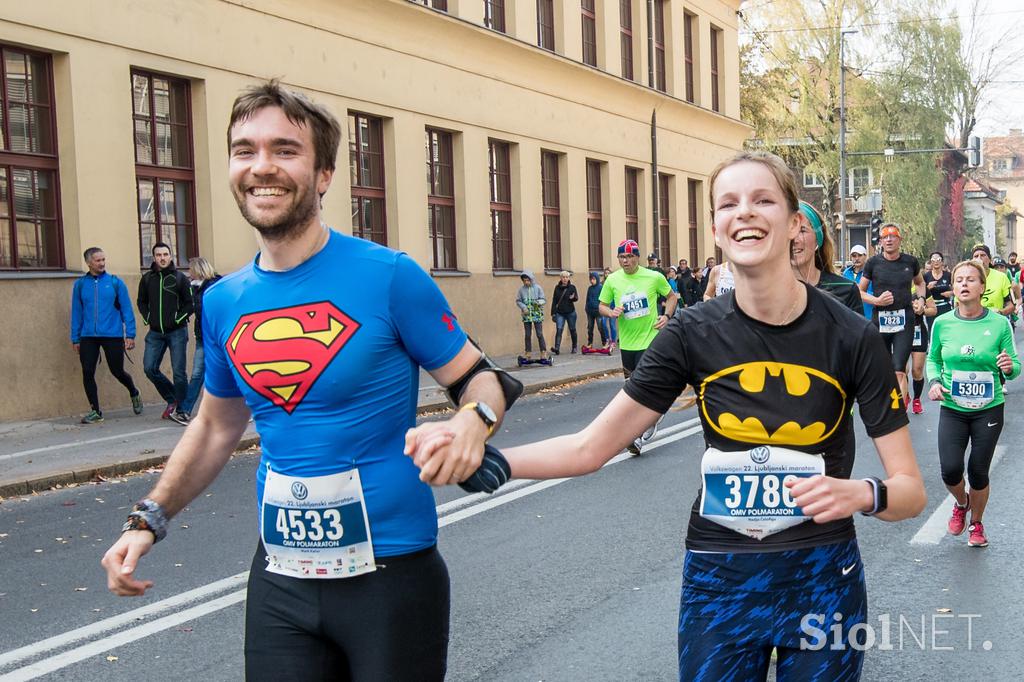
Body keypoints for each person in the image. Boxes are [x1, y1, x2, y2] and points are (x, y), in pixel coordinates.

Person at [408, 151, 925, 681]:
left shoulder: (851, 336)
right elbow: (590, 447)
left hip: (823, 578)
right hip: (719, 580)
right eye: (729, 203)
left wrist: (862, 493)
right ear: (717, 230)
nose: (745, 212)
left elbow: (910, 490)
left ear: (795, 224)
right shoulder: (690, 333)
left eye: (763, 199)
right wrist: (489, 461)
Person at [102, 81, 521, 681]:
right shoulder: (222, 302)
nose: (262, 167)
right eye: (245, 150)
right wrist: (148, 518)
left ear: (323, 174)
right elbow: (217, 427)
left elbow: (482, 379)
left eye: (284, 150)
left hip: (392, 577)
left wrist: (471, 422)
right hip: (281, 578)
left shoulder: (390, 277)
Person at [927, 260, 1019, 548]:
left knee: (978, 470)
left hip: (989, 407)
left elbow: (1014, 366)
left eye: (970, 280)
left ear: (982, 287)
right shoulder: (942, 323)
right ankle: (961, 502)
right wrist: (934, 383)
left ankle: (977, 524)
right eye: (959, 280)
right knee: (951, 470)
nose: (964, 284)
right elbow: (933, 359)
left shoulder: (999, 323)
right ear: (953, 288)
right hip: (953, 407)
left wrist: (1007, 367)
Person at [598, 238, 678, 455]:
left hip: (650, 339)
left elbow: (671, 297)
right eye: (621, 257)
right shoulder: (613, 280)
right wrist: (611, 312)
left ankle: (636, 435)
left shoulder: (653, 277)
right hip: (628, 344)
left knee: (641, 388)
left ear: (637, 257)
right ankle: (652, 416)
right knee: (630, 388)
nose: (625, 261)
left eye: (629, 257)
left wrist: (667, 316)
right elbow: (602, 305)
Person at [70, 247, 143, 424]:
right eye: (98, 260)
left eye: (103, 259)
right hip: (88, 336)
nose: (102, 263)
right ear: (88, 262)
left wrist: (130, 334)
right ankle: (95, 411)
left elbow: (127, 309)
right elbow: (76, 312)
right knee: (87, 371)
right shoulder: (80, 285)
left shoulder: (115, 283)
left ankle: (133, 391)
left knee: (117, 371)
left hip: (112, 334)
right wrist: (75, 338)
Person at [857, 224, 926, 407]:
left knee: (898, 369)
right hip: (881, 320)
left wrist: (921, 299)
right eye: (884, 237)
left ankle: (898, 412)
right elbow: (859, 291)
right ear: (880, 241)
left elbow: (920, 283)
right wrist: (876, 301)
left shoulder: (910, 262)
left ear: (899, 240)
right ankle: (890, 403)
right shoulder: (873, 263)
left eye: (892, 236)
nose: (888, 239)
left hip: (905, 320)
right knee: (884, 368)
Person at [138, 241, 194, 424]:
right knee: (149, 368)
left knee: (179, 372)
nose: (162, 258)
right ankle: (172, 398)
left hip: (177, 331)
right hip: (155, 333)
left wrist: (178, 318)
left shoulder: (180, 278)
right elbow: (141, 301)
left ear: (171, 256)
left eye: (165, 254)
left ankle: (182, 409)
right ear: (153, 258)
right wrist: (148, 318)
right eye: (158, 255)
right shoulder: (147, 279)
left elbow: (190, 303)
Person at [790, 201, 863, 313]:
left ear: (818, 239)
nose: (795, 239)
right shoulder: (765, 294)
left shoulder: (845, 290)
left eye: (802, 231)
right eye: (789, 230)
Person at [178, 257, 222, 419]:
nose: (189, 273)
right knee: (197, 373)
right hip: (202, 337)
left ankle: (246, 409)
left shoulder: (215, 286)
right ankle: (185, 411)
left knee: (228, 373)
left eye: (190, 270)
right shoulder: (196, 288)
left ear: (198, 270)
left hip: (217, 338)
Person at [908, 293, 938, 415]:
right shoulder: (895, 282)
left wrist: (921, 310)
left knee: (917, 370)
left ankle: (916, 399)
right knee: (901, 369)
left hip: (918, 332)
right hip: (900, 331)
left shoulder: (923, 289)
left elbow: (933, 310)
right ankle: (904, 395)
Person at [971, 245, 1013, 317]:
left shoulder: (1001, 277)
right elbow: (958, 305)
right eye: (976, 256)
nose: (979, 258)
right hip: (973, 322)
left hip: (995, 322)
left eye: (983, 255)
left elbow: (1011, 306)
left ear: (990, 259)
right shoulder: (966, 278)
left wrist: (1000, 312)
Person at [516, 269, 547, 356]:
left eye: (528, 280)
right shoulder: (521, 290)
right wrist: (523, 307)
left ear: (531, 279)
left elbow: (543, 299)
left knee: (539, 333)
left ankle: (543, 351)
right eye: (524, 280)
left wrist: (538, 302)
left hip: (537, 314)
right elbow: (518, 301)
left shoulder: (538, 288)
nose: (526, 282)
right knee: (528, 334)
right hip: (526, 315)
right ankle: (528, 352)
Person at [550, 270, 579, 355]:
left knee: (572, 329)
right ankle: (557, 348)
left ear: (568, 278)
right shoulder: (557, 288)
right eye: (563, 277)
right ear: (560, 278)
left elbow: (576, 298)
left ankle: (574, 347)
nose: (565, 279)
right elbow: (554, 300)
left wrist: (573, 298)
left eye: (566, 277)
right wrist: (553, 313)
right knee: (559, 330)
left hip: (570, 312)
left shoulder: (572, 287)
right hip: (560, 313)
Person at [842, 244, 873, 319]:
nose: (856, 258)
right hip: (851, 315)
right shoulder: (846, 273)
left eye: (859, 255)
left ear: (865, 256)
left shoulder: (872, 272)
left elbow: (876, 293)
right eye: (854, 256)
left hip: (868, 315)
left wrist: (859, 290)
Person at [923, 251, 952, 319]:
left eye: (938, 259)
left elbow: (956, 289)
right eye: (933, 260)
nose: (936, 262)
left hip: (945, 307)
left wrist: (951, 293)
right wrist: (928, 288)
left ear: (942, 262)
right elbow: (920, 293)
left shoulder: (948, 275)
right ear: (931, 263)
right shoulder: (926, 276)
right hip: (931, 308)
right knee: (932, 328)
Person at [584, 271, 608, 349]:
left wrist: (601, 307)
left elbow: (603, 299)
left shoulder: (600, 287)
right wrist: (586, 307)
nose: (592, 281)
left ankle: (604, 343)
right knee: (590, 328)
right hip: (590, 311)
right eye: (591, 279)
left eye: (593, 279)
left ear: (597, 279)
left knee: (600, 327)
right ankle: (590, 343)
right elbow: (587, 298)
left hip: (598, 311)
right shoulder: (589, 288)